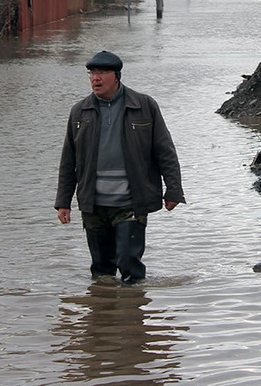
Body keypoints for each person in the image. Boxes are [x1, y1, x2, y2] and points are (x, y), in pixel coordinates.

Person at [55, 50, 185, 284]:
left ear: (116, 76)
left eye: (102, 73)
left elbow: (165, 151)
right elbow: (69, 161)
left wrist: (174, 190)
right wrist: (63, 202)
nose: (96, 78)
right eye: (92, 73)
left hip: (131, 201)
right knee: (102, 272)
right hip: (93, 204)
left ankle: (132, 314)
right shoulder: (79, 111)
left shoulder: (144, 106)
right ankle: (104, 316)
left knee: (129, 263)